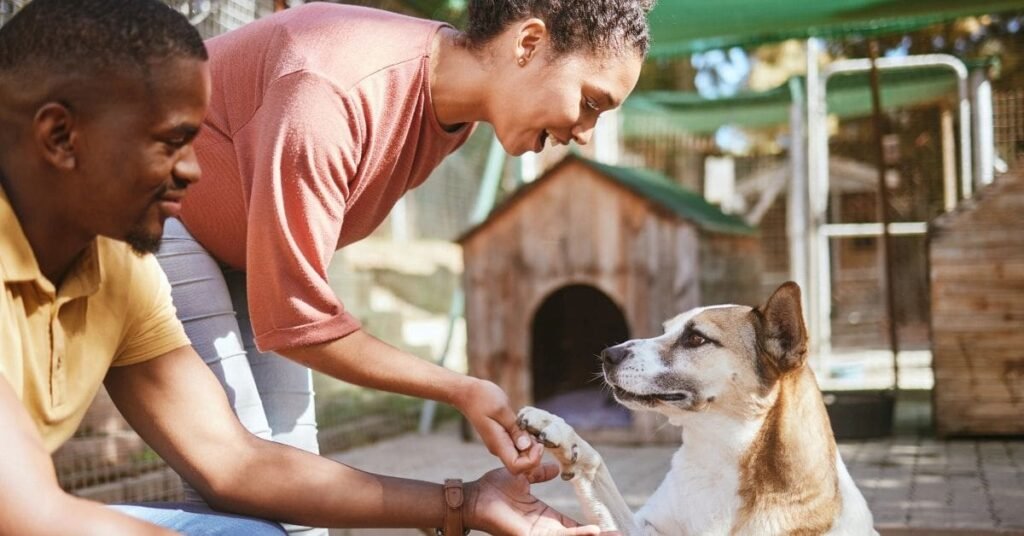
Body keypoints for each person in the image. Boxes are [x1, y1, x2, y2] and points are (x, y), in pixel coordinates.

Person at [0, 1, 605, 534]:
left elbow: (237, 465)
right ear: (60, 136)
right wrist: (456, 390)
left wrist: (466, 503)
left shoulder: (119, 272)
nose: (193, 169)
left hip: (232, 258)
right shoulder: (328, 86)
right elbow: (31, 519)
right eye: (170, 142)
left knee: (265, 520)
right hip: (188, 247)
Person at [162, 3, 651, 532]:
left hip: (239, 249)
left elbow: (291, 313)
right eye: (590, 102)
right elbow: (297, 321)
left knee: (293, 475)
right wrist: (459, 388)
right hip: (159, 213)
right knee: (246, 475)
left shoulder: (453, 117)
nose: (585, 133)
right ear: (528, 43)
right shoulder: (331, 90)